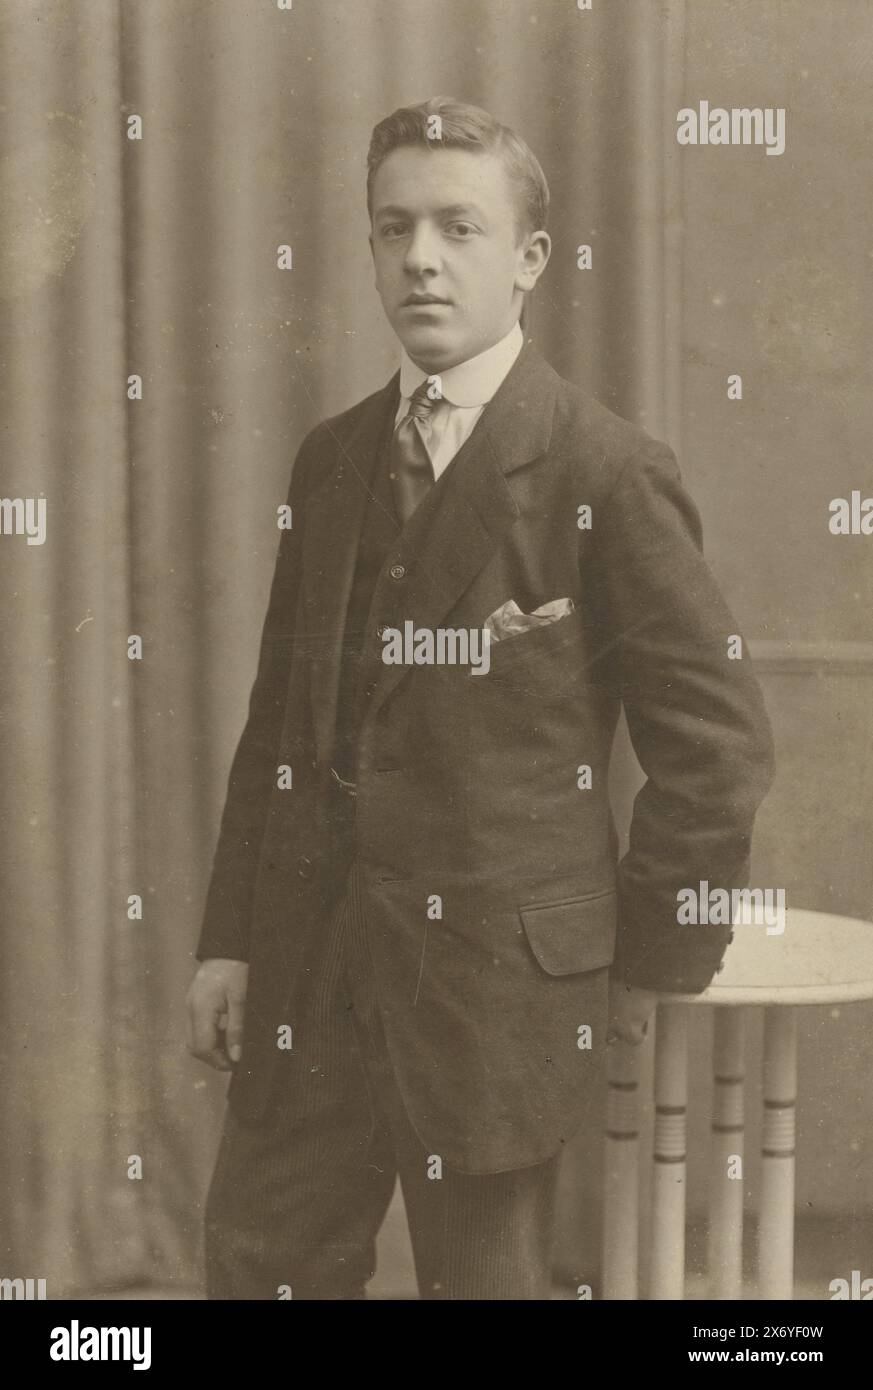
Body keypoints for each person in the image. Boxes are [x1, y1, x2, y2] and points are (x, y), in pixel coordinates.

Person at [186, 96, 775, 1300]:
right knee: (258, 1274)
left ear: (529, 259)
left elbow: (718, 746)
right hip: (313, 976)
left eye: (459, 227)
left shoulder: (601, 468)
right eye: (394, 228)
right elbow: (278, 728)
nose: (421, 259)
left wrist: (641, 971)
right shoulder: (334, 459)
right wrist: (233, 939)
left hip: (496, 1005)